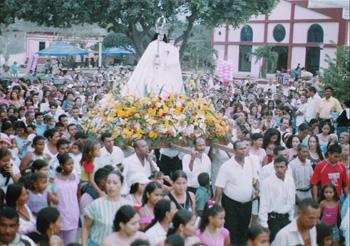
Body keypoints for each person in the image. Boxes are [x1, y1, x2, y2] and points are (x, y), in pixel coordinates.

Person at [215, 140, 257, 245]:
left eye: (245, 148)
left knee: (244, 230)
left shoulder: (250, 162)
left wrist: (257, 190)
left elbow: (255, 179)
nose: (244, 151)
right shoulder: (226, 166)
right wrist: (216, 206)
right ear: (234, 150)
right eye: (241, 149)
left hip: (247, 204)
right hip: (231, 204)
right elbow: (219, 188)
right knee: (232, 230)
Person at [122, 32, 184, 98]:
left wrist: (171, 48)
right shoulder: (152, 44)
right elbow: (147, 57)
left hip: (161, 69)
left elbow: (170, 55)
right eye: (159, 35)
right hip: (151, 69)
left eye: (162, 35)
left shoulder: (165, 45)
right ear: (157, 35)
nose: (161, 36)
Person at [82, 171, 131, 246]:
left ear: (122, 184)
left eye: (115, 183)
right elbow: (86, 227)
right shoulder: (96, 204)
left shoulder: (128, 205)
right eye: (108, 182)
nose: (111, 186)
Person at [258, 156, 295, 241]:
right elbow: (264, 204)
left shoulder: (290, 180)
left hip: (286, 219)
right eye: (277, 167)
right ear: (274, 167)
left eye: (282, 167)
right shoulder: (267, 183)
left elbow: (291, 201)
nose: (279, 169)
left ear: (286, 167)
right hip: (273, 220)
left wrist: (291, 218)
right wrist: (264, 225)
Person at [54, 153, 80, 245]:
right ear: (61, 165)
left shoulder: (76, 177)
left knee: (71, 242)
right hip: (59, 212)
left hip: (73, 212)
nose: (71, 166)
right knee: (58, 241)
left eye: (72, 163)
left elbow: (78, 194)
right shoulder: (55, 179)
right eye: (69, 164)